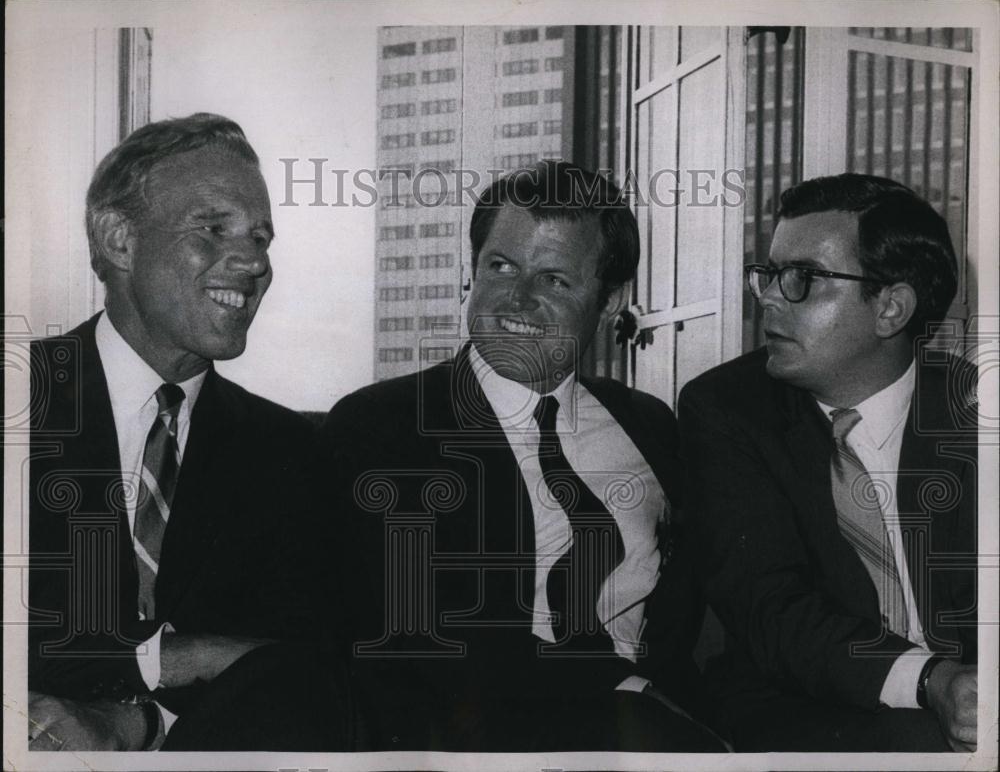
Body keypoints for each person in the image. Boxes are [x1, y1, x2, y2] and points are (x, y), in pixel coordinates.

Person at [319, 161, 725, 752]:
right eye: (501, 266)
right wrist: (626, 695)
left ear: (611, 300)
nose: (519, 299)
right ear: (472, 271)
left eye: (555, 280)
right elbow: (412, 644)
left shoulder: (651, 426)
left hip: (662, 734)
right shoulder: (382, 426)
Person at [27, 113, 346, 751]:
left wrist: (140, 723)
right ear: (120, 240)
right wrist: (178, 656)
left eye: (262, 237)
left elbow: (318, 671)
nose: (254, 261)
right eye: (213, 227)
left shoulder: (292, 454)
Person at [678, 173, 977, 751]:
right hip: (810, 709)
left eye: (803, 280)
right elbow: (771, 610)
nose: (766, 296)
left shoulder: (978, 409)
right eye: (767, 273)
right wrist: (930, 681)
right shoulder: (728, 409)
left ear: (890, 307)